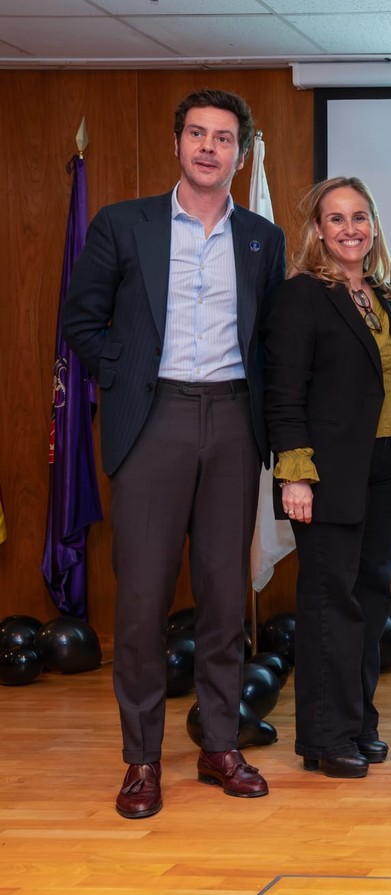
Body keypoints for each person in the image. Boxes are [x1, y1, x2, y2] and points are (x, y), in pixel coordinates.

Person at [62, 88, 284, 818]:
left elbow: (270, 337)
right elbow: (81, 319)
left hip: (231, 421)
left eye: (224, 138)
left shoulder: (260, 238)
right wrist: (125, 376)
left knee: (225, 597)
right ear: (177, 143)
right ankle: (142, 759)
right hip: (152, 420)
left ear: (240, 154)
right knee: (142, 602)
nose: (209, 148)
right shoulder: (124, 225)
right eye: (198, 134)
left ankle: (220, 744)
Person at [263, 177, 391, 779]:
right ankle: (326, 736)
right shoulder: (301, 297)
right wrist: (295, 476)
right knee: (329, 605)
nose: (351, 229)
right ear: (318, 230)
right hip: (324, 474)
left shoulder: (384, 296)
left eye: (360, 217)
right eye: (337, 218)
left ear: (373, 226)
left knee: (369, 602)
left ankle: (360, 723)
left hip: (383, 467)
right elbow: (284, 392)